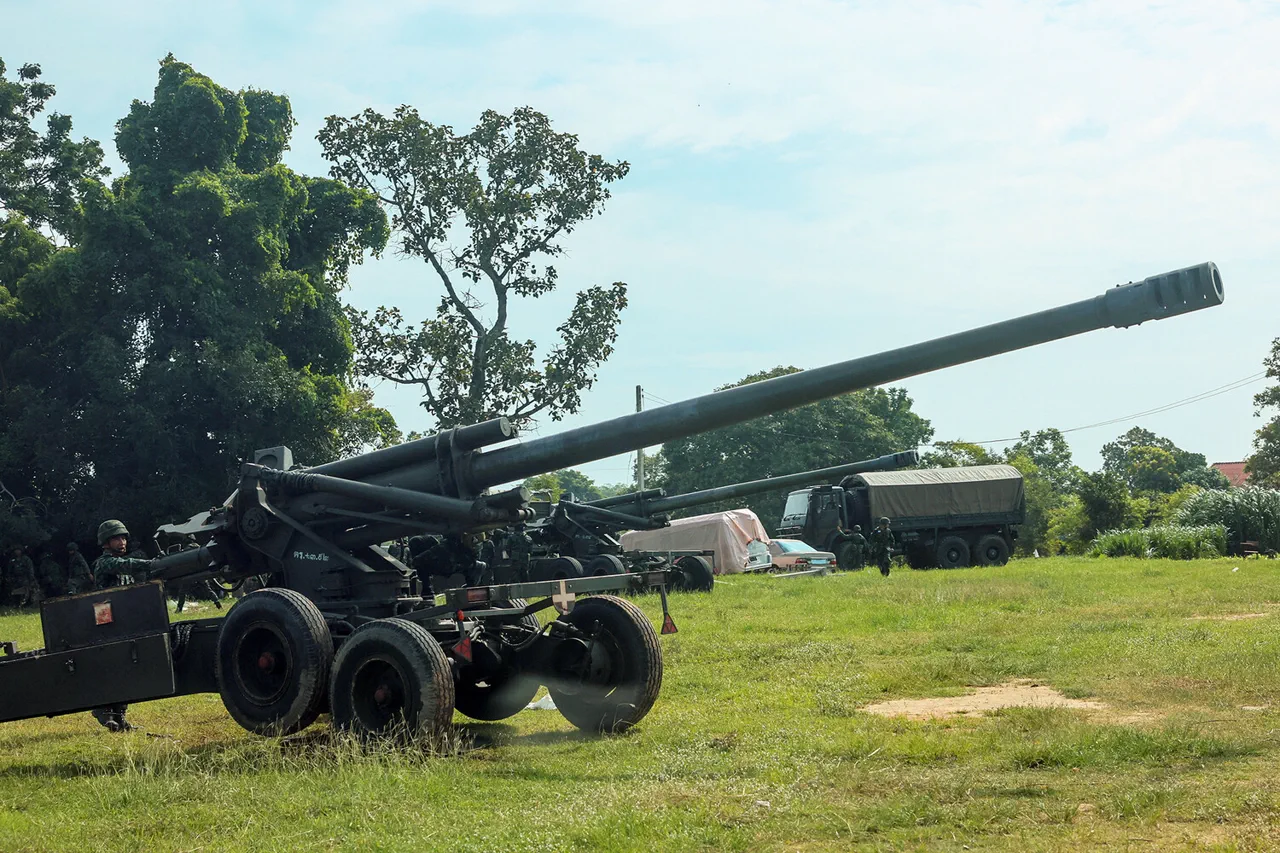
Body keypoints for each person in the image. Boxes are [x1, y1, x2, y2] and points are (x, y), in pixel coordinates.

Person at [89, 519, 158, 732]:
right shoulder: (105, 563)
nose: (122, 542)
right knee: (110, 668)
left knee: (127, 669)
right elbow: (124, 565)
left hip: (124, 623)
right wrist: (152, 563)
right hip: (106, 623)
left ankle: (119, 717)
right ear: (106, 543)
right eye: (117, 538)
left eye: (124, 538)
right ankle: (102, 710)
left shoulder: (124, 562)